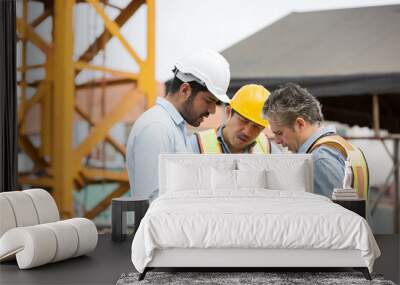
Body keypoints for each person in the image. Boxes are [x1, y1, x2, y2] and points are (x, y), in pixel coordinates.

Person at [126, 49, 231, 200]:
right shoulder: (157, 128)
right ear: (185, 90)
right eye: (209, 101)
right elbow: (153, 203)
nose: (212, 110)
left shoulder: (174, 127)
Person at [262, 83, 368, 198]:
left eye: (279, 133)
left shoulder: (319, 160)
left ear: (299, 124)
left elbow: (329, 214)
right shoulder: (339, 146)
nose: (277, 141)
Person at [191, 84, 279, 154]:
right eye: (243, 121)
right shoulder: (196, 145)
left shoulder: (269, 150)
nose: (247, 132)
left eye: (257, 127)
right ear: (229, 112)